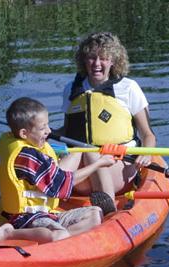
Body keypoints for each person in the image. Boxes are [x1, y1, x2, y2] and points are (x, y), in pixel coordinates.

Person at [0, 97, 116, 244]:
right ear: (24, 134)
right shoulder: (27, 155)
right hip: (25, 217)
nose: (49, 131)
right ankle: (9, 233)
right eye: (42, 128)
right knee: (59, 234)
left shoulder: (17, 143)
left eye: (48, 125)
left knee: (95, 214)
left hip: (45, 214)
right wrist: (99, 163)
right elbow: (60, 185)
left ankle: (59, 241)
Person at [60, 31, 156, 205]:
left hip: (118, 163)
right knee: (82, 151)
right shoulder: (71, 89)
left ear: (113, 61)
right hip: (80, 167)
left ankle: (107, 205)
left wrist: (148, 152)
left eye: (103, 58)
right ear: (84, 60)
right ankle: (36, 204)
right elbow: (67, 131)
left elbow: (148, 135)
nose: (97, 63)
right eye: (91, 57)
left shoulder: (128, 88)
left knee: (91, 154)